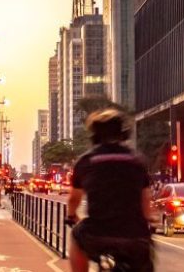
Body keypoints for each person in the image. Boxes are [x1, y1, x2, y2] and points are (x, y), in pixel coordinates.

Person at [67, 109, 154, 272]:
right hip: (135, 236)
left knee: (76, 237)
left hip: (96, 234)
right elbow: (146, 202)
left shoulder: (86, 161)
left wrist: (71, 216)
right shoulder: (137, 161)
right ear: (124, 134)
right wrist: (148, 220)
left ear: (94, 136)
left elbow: (74, 199)